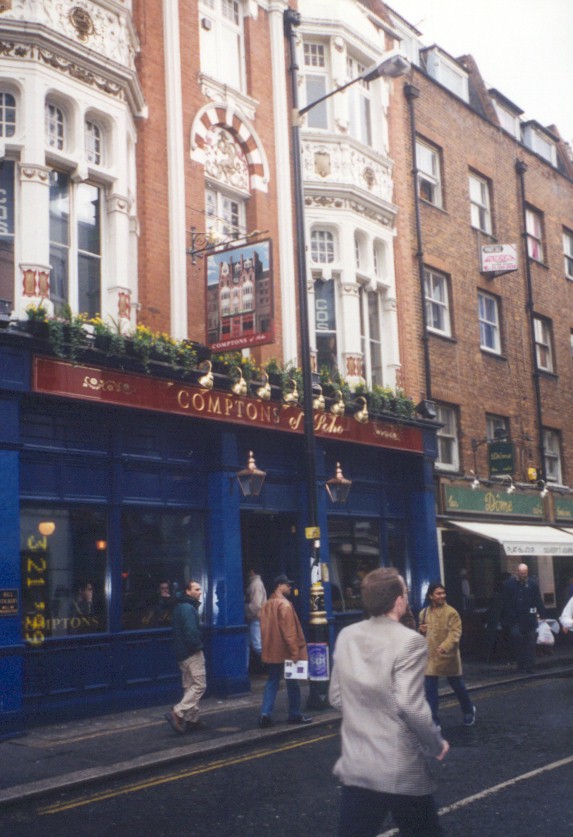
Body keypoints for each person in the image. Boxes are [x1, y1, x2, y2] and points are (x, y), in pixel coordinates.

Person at [329, 568, 449, 837]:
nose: (406, 597)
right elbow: (410, 706)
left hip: (359, 764)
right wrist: (436, 743)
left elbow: (336, 696)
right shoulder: (410, 641)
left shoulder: (347, 635)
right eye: (405, 592)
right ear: (398, 601)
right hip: (399, 765)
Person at [258, 574, 312, 728]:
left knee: (272, 681)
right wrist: (295, 652)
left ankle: (265, 714)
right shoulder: (285, 605)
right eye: (287, 585)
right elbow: (289, 633)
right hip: (286, 650)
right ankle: (294, 714)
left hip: (272, 650)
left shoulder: (267, 604)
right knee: (292, 682)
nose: (290, 587)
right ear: (279, 585)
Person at [419, 582, 475, 727]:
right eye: (438, 593)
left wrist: (444, 647)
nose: (442, 596)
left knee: (458, 687)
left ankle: (469, 710)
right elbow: (422, 635)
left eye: (443, 593)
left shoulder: (452, 613)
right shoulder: (424, 613)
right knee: (430, 691)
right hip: (431, 656)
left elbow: (455, 634)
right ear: (431, 596)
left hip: (448, 656)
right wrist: (422, 631)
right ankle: (433, 720)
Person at [164, 579, 207, 735]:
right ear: (188, 591)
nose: (200, 592)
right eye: (196, 589)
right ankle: (177, 712)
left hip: (182, 654)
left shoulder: (180, 607)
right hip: (191, 653)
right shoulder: (188, 608)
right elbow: (191, 633)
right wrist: (197, 647)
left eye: (200, 589)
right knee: (200, 685)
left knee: (189, 686)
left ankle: (192, 719)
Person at [501, 563, 546, 673]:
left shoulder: (533, 584)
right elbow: (506, 602)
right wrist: (512, 616)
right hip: (515, 620)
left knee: (530, 644)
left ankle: (530, 666)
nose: (523, 576)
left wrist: (542, 614)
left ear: (527, 572)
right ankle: (521, 666)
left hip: (529, 619)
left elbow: (538, 600)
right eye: (521, 574)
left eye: (525, 573)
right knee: (518, 643)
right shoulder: (509, 584)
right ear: (517, 572)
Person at [244, 568, 267, 669]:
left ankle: (273, 664)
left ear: (252, 571)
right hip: (254, 617)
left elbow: (256, 605)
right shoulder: (255, 583)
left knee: (257, 645)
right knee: (248, 644)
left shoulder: (255, 584)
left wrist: (243, 607)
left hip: (255, 617)